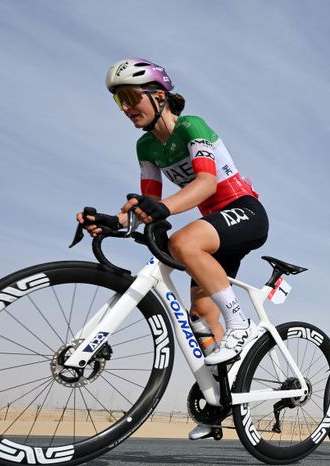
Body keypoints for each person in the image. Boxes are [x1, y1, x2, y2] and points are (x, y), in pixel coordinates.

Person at [77, 58, 268, 438]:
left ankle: (240, 325)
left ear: (159, 96)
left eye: (132, 97)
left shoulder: (191, 126)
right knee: (198, 313)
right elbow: (148, 204)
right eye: (120, 102)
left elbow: (207, 184)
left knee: (182, 241)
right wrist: (116, 221)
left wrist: (163, 209)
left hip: (244, 212)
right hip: (215, 229)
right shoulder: (145, 145)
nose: (127, 108)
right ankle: (222, 400)